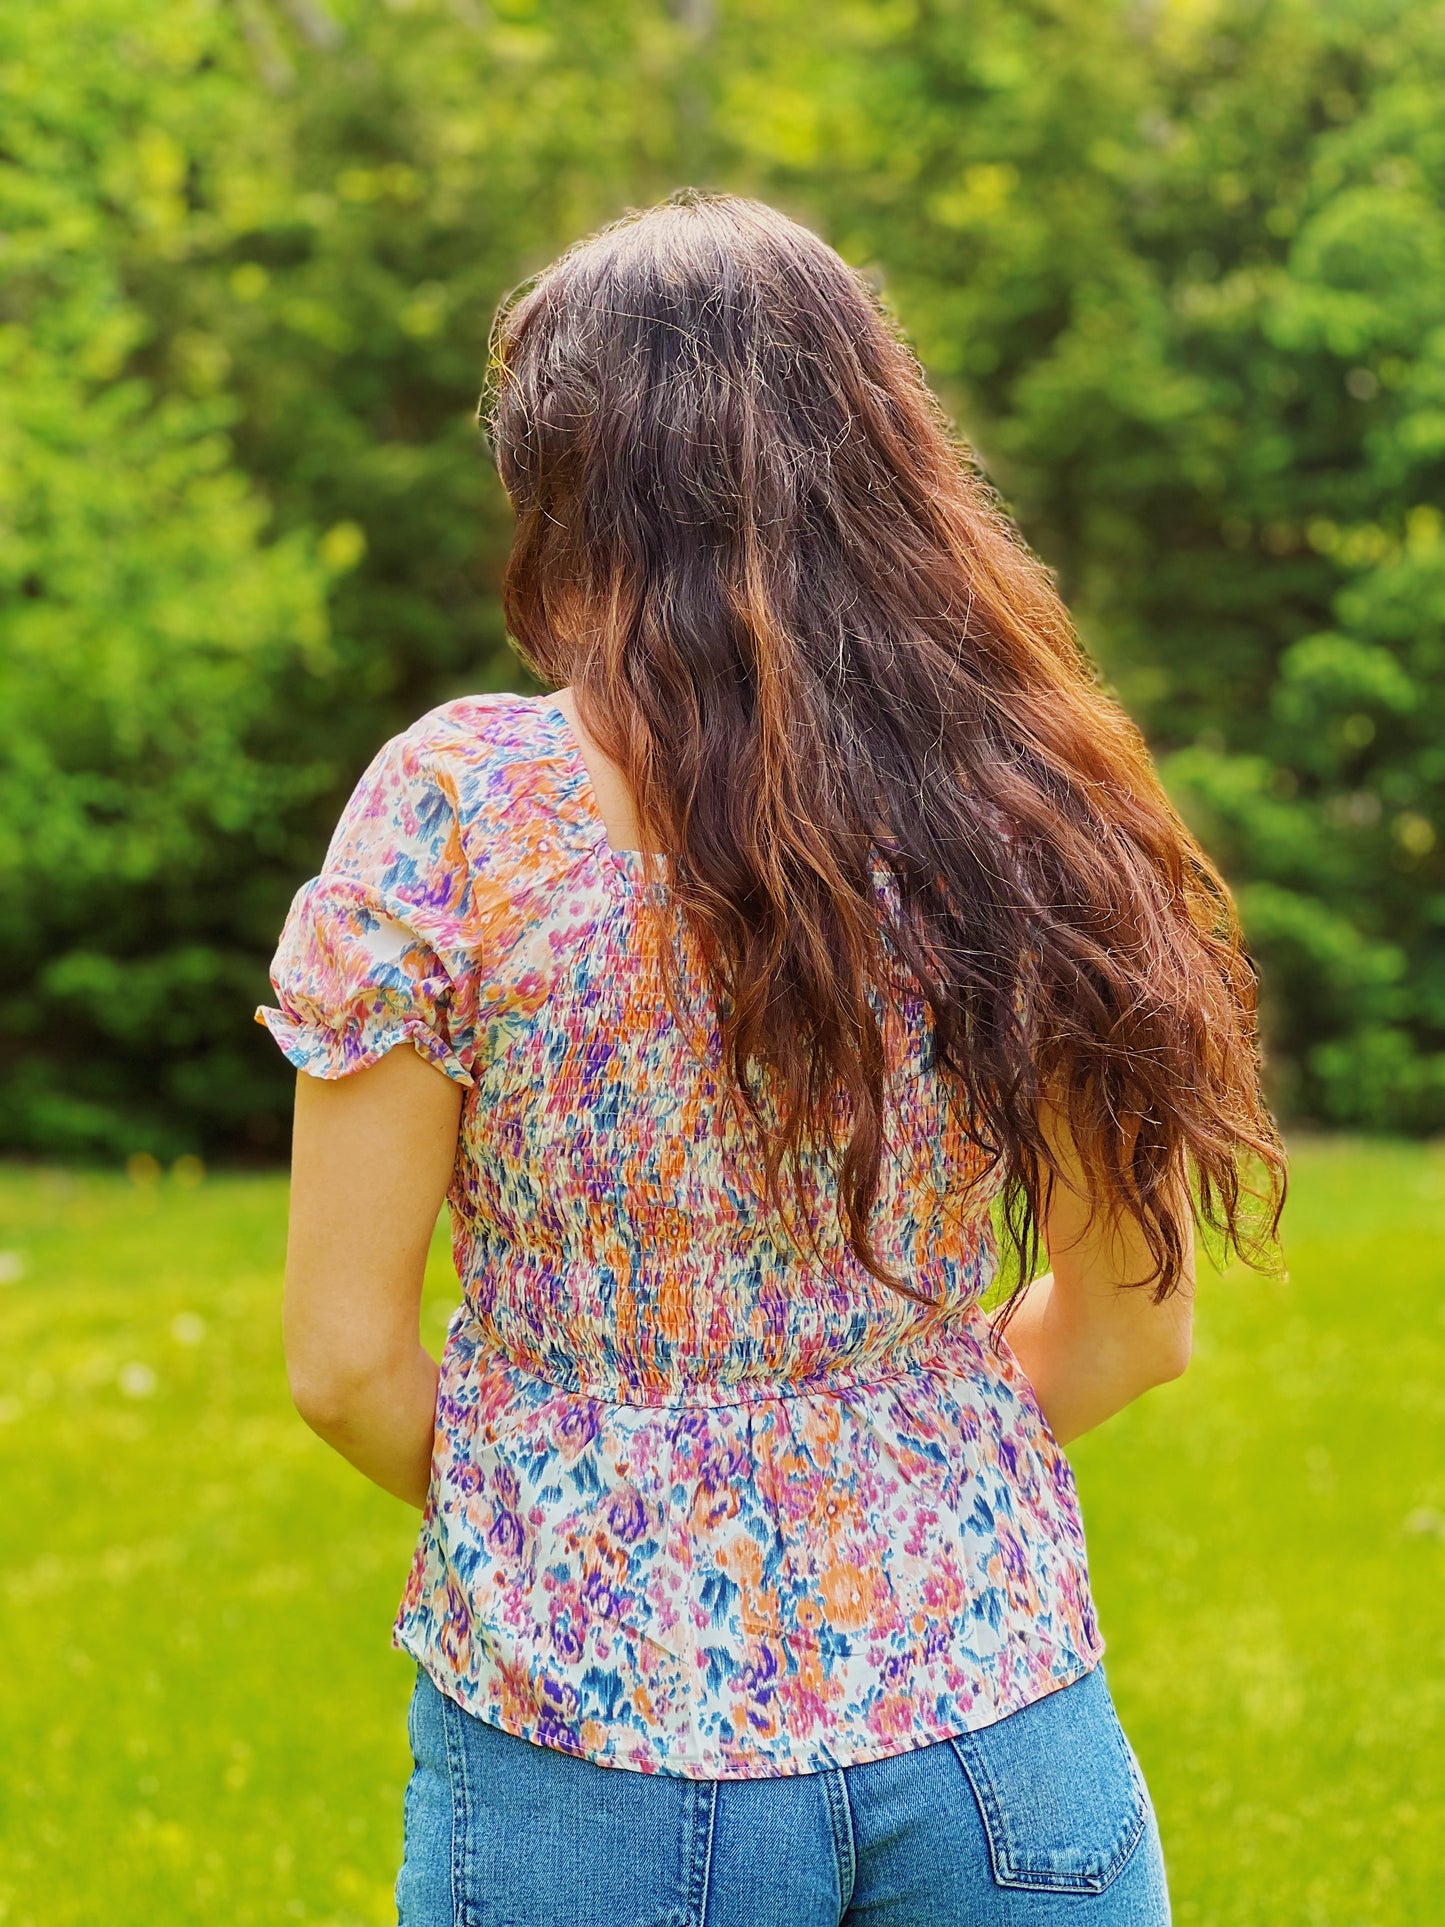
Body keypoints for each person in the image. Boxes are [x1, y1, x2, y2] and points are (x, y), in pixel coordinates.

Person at [257, 189, 1285, 1927]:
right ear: (880, 451)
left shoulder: (453, 809)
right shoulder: (1026, 799)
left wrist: (595, 1511)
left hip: (585, 1741)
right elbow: (1134, 1327)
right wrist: (876, 1471)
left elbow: (346, 1367)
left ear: (566, 486)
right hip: (1000, 1729)